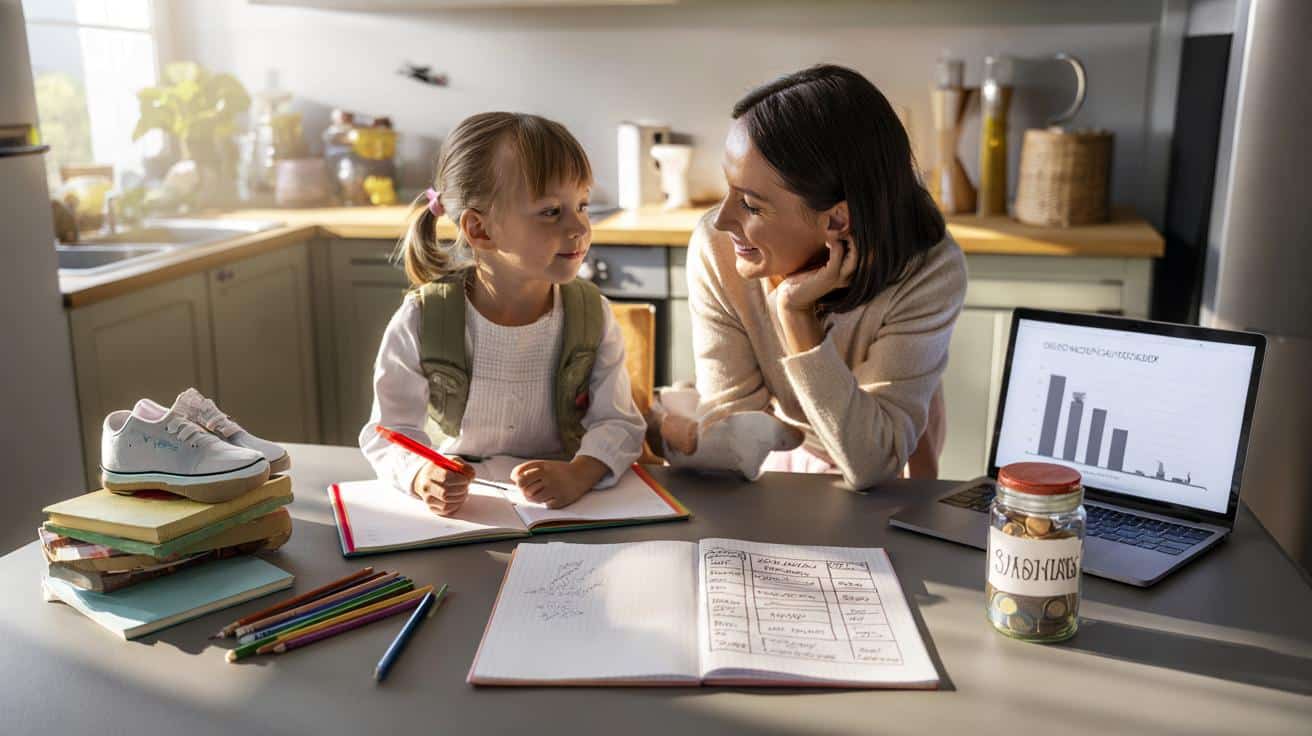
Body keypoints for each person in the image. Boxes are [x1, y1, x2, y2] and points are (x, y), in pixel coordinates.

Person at [656, 64, 967, 489]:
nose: (723, 220)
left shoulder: (929, 270)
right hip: (784, 449)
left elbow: (874, 460)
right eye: (729, 188)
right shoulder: (718, 247)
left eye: (751, 204)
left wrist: (795, 315)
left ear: (837, 220)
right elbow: (734, 430)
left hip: (886, 455)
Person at [360, 112, 645, 516]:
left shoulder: (591, 314)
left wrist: (579, 474)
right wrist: (422, 475)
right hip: (465, 514)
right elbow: (388, 432)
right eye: (551, 211)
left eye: (582, 205)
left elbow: (619, 423)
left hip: (567, 509)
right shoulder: (422, 318)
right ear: (480, 230)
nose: (579, 227)